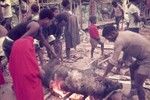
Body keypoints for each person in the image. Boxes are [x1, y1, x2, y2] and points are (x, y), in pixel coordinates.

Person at [102, 25, 150, 100]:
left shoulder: (118, 41)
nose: (109, 41)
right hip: (143, 56)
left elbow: (112, 62)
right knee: (132, 67)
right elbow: (128, 48)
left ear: (113, 33)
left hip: (147, 59)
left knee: (139, 84)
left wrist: (103, 76)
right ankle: (133, 91)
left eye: (108, 38)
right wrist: (122, 60)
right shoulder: (123, 34)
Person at [9, 36, 44, 100]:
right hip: (29, 85)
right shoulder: (28, 45)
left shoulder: (16, 47)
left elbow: (11, 68)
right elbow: (33, 71)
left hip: (19, 83)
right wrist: (40, 72)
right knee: (36, 86)